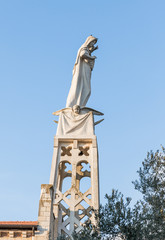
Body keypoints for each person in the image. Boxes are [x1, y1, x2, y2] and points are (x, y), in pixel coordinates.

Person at [66, 35, 98, 108]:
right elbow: (83, 54)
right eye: (93, 42)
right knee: (83, 89)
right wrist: (91, 57)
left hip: (85, 70)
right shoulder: (84, 47)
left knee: (85, 89)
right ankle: (75, 105)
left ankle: (80, 105)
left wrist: (92, 51)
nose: (93, 44)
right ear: (89, 41)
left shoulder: (86, 49)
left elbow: (85, 53)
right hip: (82, 71)